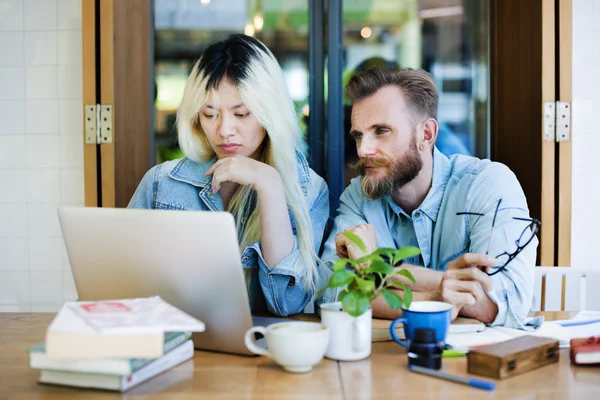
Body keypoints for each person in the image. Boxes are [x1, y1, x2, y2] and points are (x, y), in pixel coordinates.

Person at [129, 34, 330, 317]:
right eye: (210, 114)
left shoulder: (309, 189)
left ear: (269, 113)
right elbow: (125, 285)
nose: (224, 130)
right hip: (178, 345)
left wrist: (270, 185)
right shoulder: (162, 183)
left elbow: (286, 302)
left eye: (243, 114)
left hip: (258, 355)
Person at [321, 67, 538, 328]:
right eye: (358, 135)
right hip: (389, 360)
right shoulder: (359, 196)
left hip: (477, 361)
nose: (363, 149)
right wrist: (435, 294)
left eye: (381, 131)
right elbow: (332, 293)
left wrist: (376, 270)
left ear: (426, 135)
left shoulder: (487, 183)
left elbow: (502, 301)